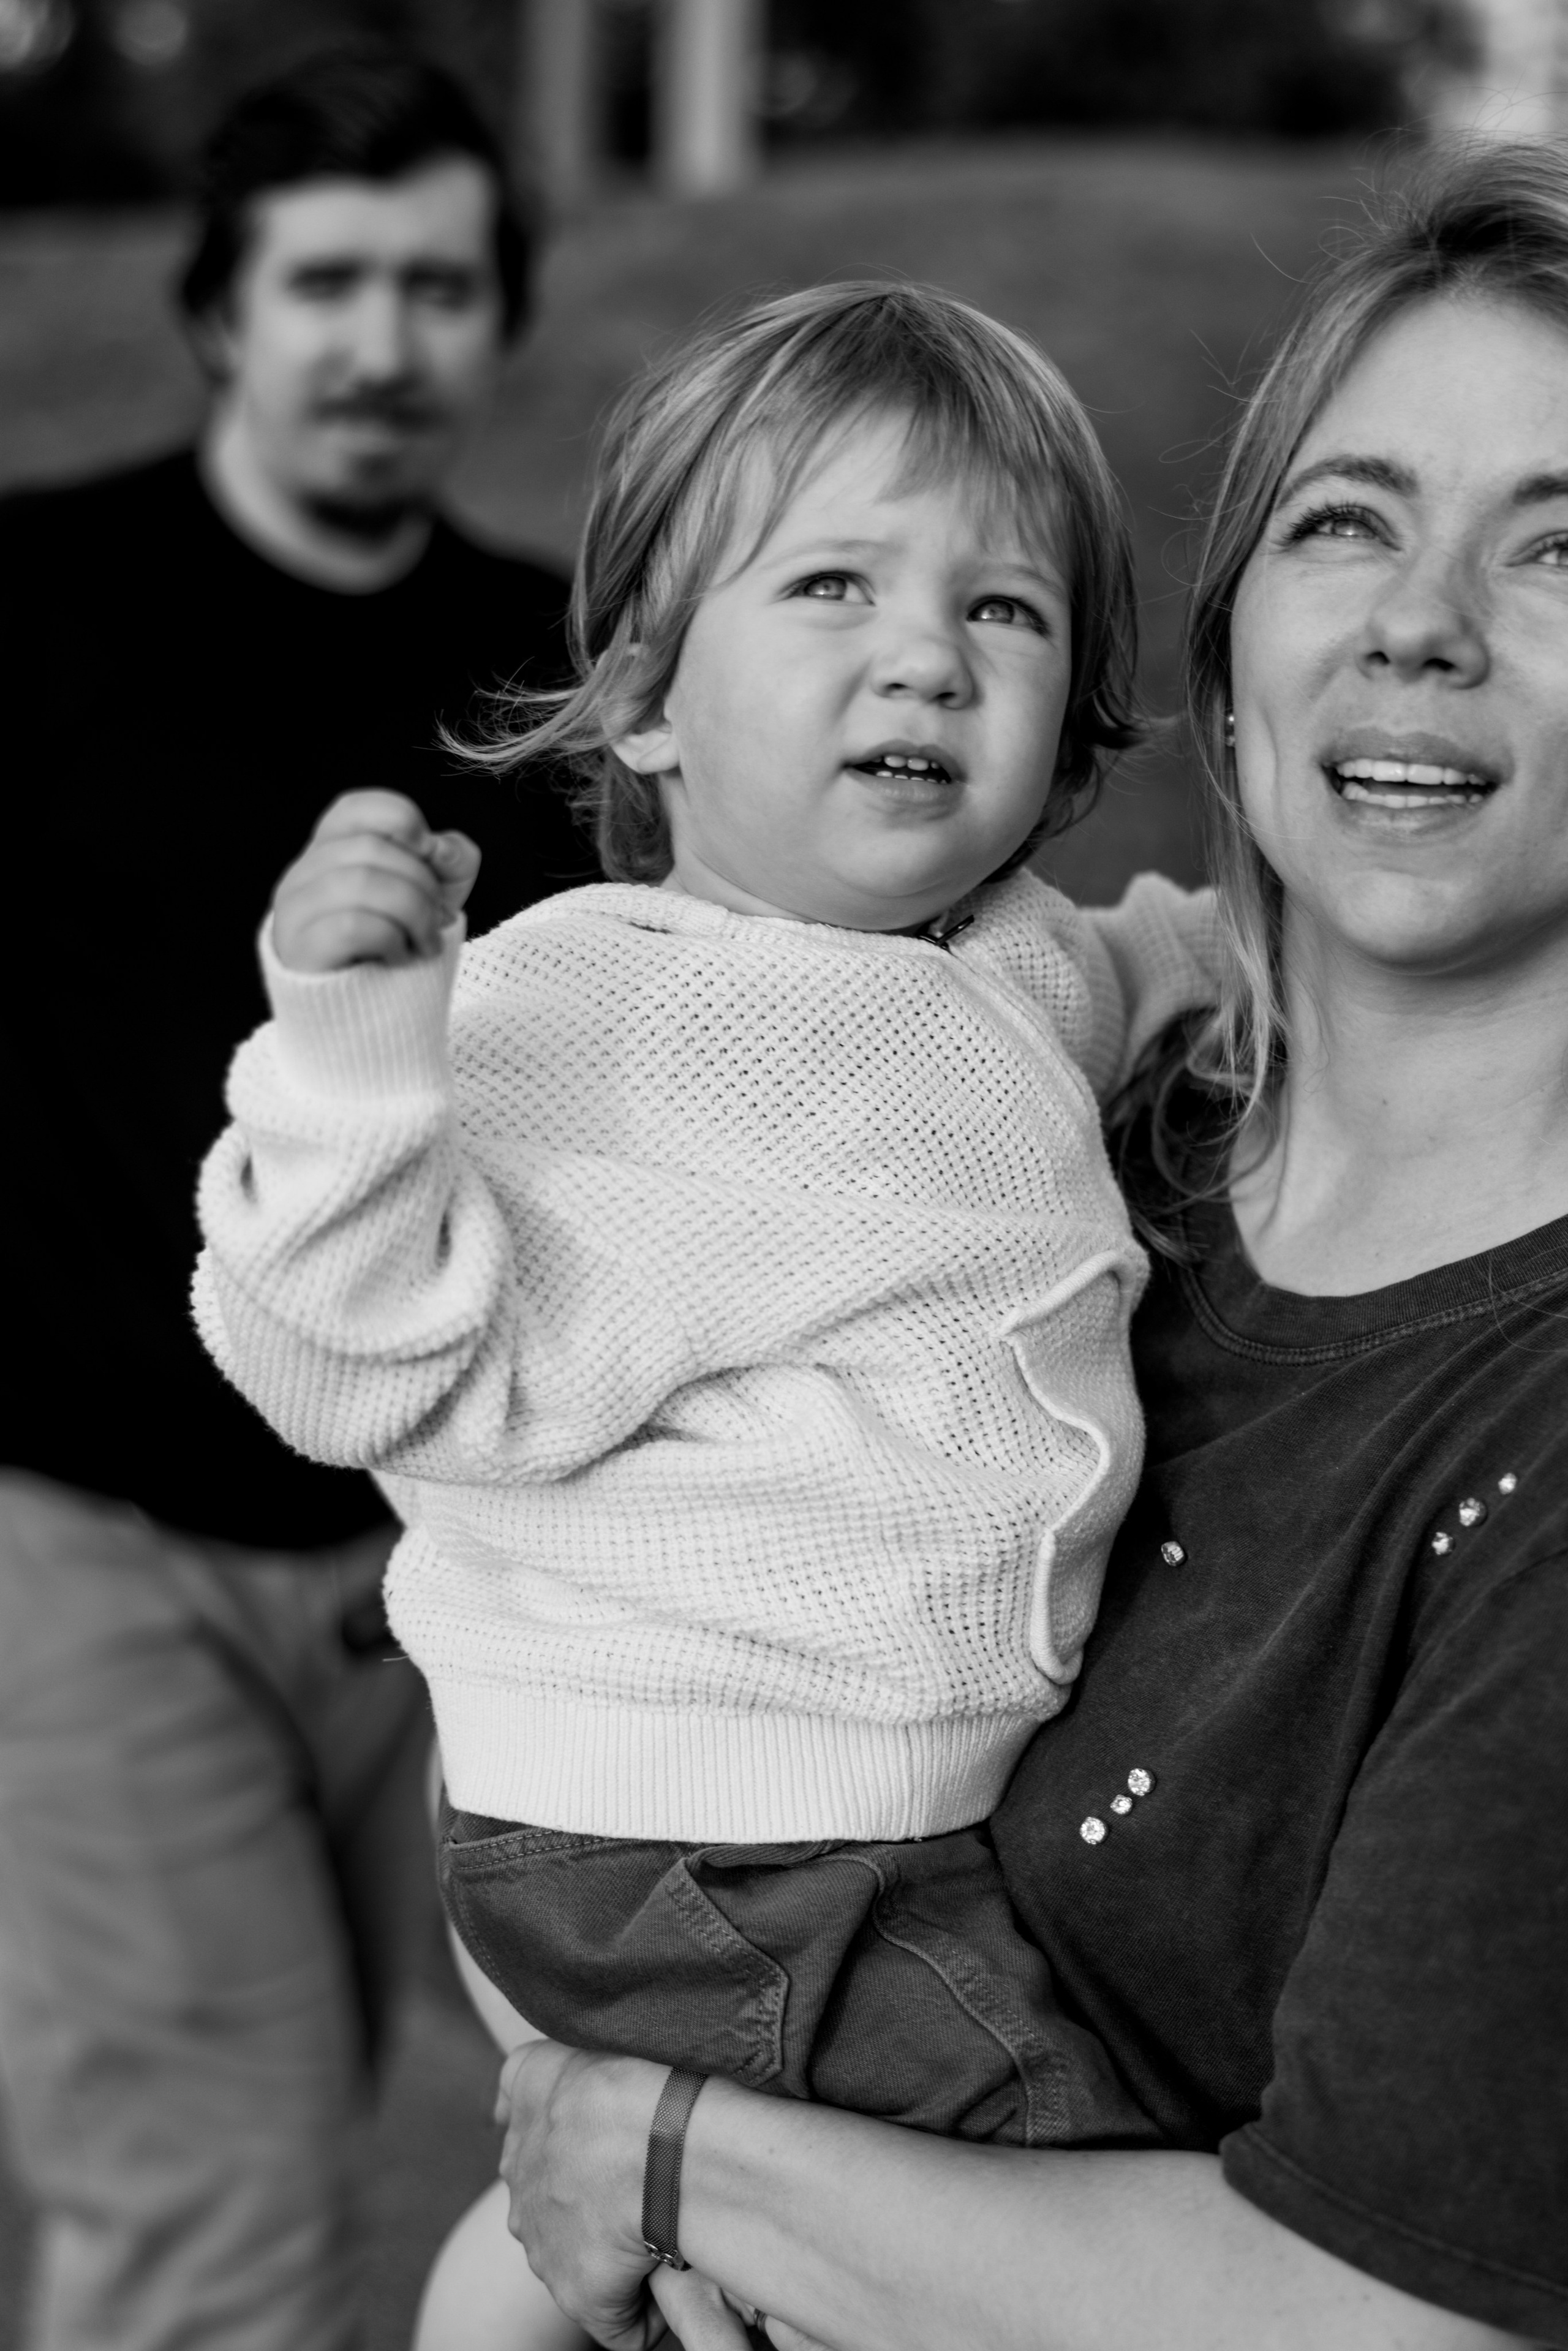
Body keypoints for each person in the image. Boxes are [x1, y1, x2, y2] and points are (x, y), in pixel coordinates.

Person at [482, 143, 1568, 2351]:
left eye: (1564, 547)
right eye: (1346, 521)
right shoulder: (1036, 1153)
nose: (1421, 620)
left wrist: (670, 2156)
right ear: (1232, 654)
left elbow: (1397, 2324)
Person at [192, 281, 1221, 2347]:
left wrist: (1292, 956)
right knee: (1051, 2219)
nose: (926, 651)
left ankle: (526, 2292)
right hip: (689, 1828)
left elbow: (1162, 964)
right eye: (833, 584)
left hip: (833, 1820)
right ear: (648, 704)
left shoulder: (1013, 968)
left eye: (1004, 610)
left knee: (762, 2242)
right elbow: (345, 1354)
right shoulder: (592, 1009)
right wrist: (354, 1054)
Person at [0, 43, 593, 2351]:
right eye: (326, 282)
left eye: (436, 286)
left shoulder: (559, 677)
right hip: (95, 1556)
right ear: (220, 313)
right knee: (215, 2217)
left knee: (603, 2161)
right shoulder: (35, 600)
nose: (381, 340)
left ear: (498, 317)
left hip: (459, 1557)